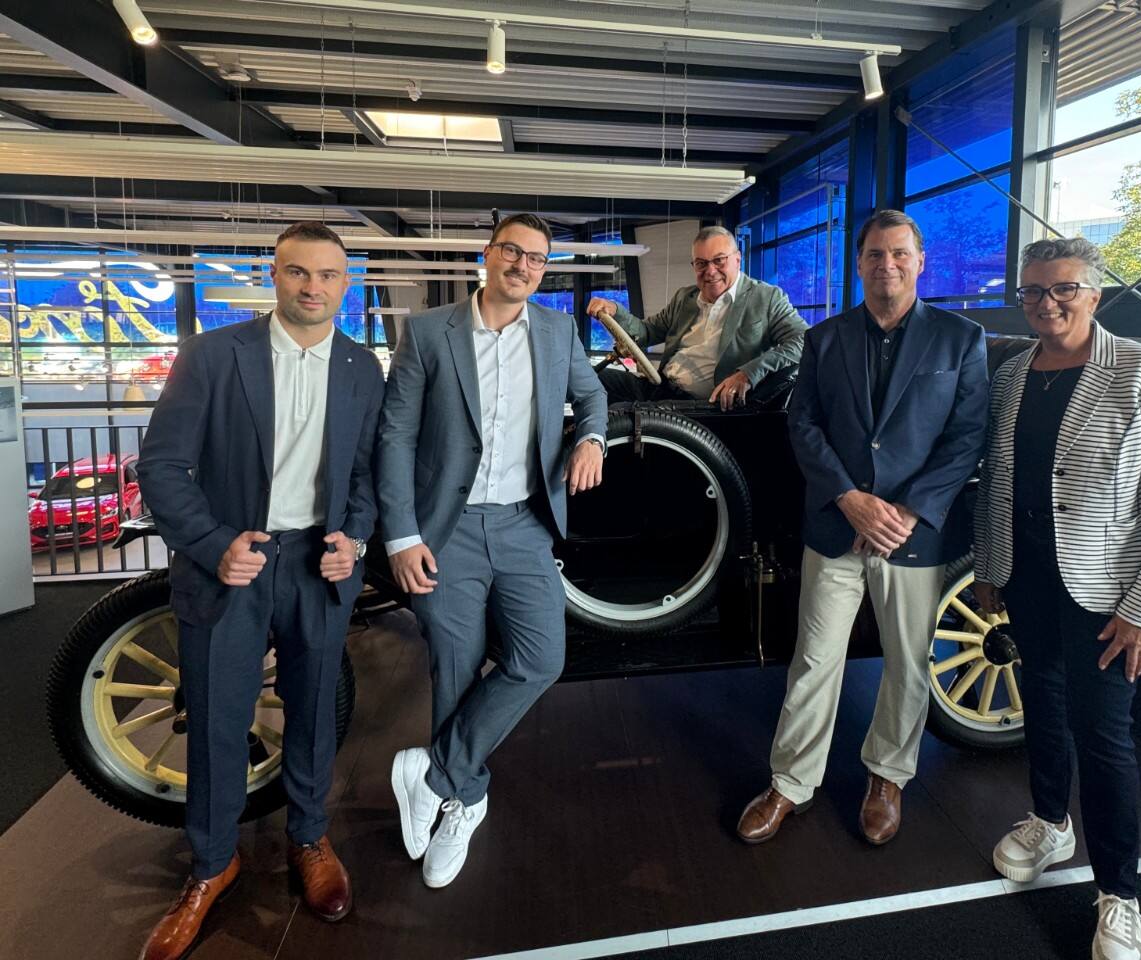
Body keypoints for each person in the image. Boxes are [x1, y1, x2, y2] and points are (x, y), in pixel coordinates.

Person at [135, 221, 385, 959]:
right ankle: (212, 865)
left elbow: (366, 474)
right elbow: (161, 468)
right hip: (235, 560)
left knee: (313, 714)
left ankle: (309, 837)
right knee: (216, 719)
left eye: (329, 275)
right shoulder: (214, 356)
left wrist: (357, 538)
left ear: (347, 283)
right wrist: (215, 547)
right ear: (273, 277)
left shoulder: (361, 367)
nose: (313, 287)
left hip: (319, 563)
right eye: (298, 272)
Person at [972, 237, 1141, 960]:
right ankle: (1050, 821)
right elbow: (996, 479)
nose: (1047, 303)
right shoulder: (1013, 375)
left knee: (1104, 740)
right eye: (1034, 291)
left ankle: (1119, 895)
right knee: (1040, 704)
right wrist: (989, 566)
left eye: (1063, 289)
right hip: (1029, 578)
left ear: (1094, 294)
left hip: (1108, 595)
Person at [737, 210, 989, 847]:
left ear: (921, 260)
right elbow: (804, 426)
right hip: (836, 524)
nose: (888, 265)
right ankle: (790, 782)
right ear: (859, 263)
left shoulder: (962, 340)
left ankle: (888, 777)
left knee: (908, 663)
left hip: (913, 533)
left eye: (900, 253)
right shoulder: (826, 338)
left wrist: (906, 511)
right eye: (875, 255)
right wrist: (849, 498)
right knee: (815, 660)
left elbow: (965, 440)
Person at [377, 212, 608, 888]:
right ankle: (463, 807)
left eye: (537, 258)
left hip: (523, 525)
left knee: (542, 658)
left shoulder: (559, 331)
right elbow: (394, 437)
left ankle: (434, 775)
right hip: (444, 530)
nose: (524, 266)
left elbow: (593, 396)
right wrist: (401, 534)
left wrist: (590, 438)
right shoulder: (427, 333)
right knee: (455, 668)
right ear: (488, 255)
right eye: (513, 251)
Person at [587, 225, 806, 410]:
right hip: (659, 386)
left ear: (738, 259)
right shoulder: (685, 297)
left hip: (698, 407)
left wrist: (748, 374)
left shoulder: (766, 298)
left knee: (619, 415)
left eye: (719, 260)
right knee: (583, 379)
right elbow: (646, 333)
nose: (710, 271)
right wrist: (615, 310)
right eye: (701, 263)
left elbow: (804, 340)